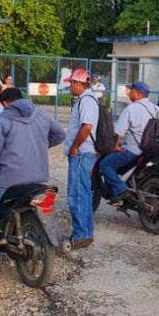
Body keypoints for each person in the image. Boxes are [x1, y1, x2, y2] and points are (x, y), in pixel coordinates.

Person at [0, 88, 65, 278]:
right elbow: (60, 135)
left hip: (7, 177)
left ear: (5, 103)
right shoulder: (42, 115)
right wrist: (39, 146)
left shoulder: (3, 119)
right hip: (38, 175)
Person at [99, 81, 159, 204]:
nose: (129, 93)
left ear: (138, 93)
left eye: (131, 91)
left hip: (132, 150)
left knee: (105, 165)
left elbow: (119, 132)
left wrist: (116, 146)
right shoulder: (157, 109)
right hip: (150, 152)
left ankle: (120, 189)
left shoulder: (130, 109)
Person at [63, 69, 100, 249]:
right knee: (83, 194)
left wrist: (75, 147)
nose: (70, 87)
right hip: (83, 153)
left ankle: (81, 234)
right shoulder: (86, 100)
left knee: (77, 194)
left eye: (71, 83)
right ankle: (85, 232)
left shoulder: (87, 101)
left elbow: (87, 126)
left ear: (78, 84)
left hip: (82, 153)